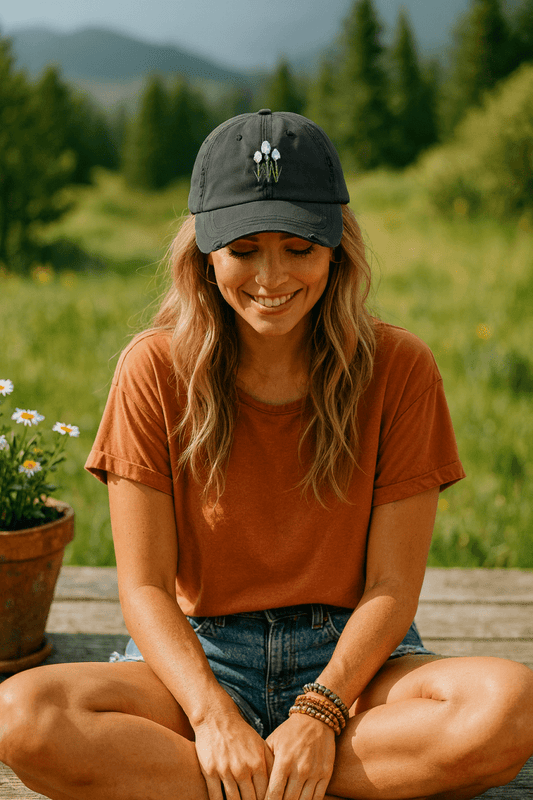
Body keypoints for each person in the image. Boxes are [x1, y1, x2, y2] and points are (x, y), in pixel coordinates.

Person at [1, 109, 532, 800]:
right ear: (205, 253)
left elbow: (391, 589)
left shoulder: (399, 367)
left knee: (509, 708)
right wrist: (212, 715)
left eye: (298, 247)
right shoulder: (152, 369)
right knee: (24, 716)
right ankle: (295, 778)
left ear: (336, 246)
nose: (271, 275)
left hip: (352, 663)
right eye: (244, 248)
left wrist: (320, 712)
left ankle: (247, 780)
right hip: (198, 657)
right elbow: (146, 590)